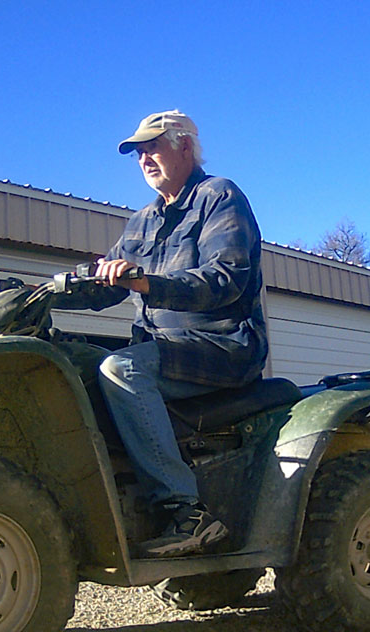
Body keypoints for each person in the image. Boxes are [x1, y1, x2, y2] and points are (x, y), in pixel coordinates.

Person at [66, 110, 268, 558]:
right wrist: (53, 290)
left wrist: (146, 283)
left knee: (122, 370)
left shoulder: (219, 196)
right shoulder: (142, 221)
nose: (144, 158)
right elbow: (105, 282)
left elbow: (225, 278)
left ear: (185, 146)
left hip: (224, 346)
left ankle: (187, 512)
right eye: (138, 152)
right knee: (72, 362)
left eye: (152, 146)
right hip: (164, 350)